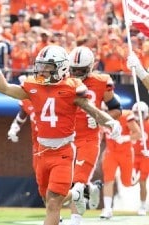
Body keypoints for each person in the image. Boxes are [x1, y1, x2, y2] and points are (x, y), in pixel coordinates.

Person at [0, 41, 122, 225]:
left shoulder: (71, 87)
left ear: (61, 68)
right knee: (48, 200)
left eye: (47, 68)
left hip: (63, 153)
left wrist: (110, 121)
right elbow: (4, 88)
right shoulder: (34, 86)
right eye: (40, 67)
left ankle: (78, 193)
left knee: (53, 204)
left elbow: (91, 109)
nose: (41, 72)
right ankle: (78, 193)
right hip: (41, 152)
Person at [65, 46, 122, 225]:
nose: (76, 73)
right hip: (65, 138)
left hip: (89, 138)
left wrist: (99, 120)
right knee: (65, 183)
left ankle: (75, 219)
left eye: (81, 70)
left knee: (77, 183)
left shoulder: (101, 81)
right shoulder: (62, 80)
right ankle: (93, 188)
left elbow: (116, 109)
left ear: (92, 66)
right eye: (74, 69)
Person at [100, 105, 141, 219]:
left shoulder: (125, 116)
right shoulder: (101, 118)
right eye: (104, 111)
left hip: (125, 153)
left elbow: (138, 134)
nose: (106, 113)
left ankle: (135, 177)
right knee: (108, 179)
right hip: (111, 152)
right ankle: (107, 209)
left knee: (126, 183)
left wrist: (124, 138)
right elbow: (100, 135)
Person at [131, 101, 149, 216]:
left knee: (142, 181)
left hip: (145, 156)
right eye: (136, 112)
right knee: (132, 181)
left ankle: (142, 205)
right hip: (133, 156)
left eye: (140, 112)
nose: (137, 115)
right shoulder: (131, 123)